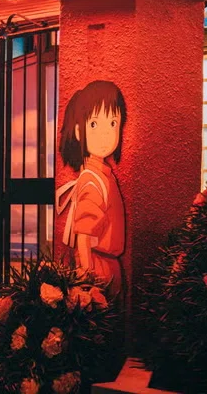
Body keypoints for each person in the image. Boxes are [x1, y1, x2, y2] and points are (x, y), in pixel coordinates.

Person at [55, 80, 126, 296]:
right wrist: (86, 280)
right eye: (95, 124)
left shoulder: (101, 174)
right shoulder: (92, 180)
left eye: (112, 123)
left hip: (106, 265)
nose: (106, 133)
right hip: (99, 268)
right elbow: (83, 235)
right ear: (79, 131)